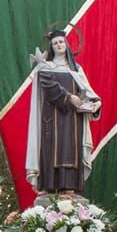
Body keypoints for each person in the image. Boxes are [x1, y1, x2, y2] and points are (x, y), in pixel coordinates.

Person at [25, 29, 100, 194]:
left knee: (70, 150)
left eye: (61, 42)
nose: (59, 45)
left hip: (73, 119)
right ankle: (49, 185)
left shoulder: (76, 69)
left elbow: (87, 92)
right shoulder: (46, 67)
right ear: (52, 47)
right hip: (51, 117)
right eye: (55, 43)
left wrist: (95, 103)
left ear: (66, 44)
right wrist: (69, 97)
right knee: (51, 150)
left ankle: (69, 187)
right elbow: (49, 86)